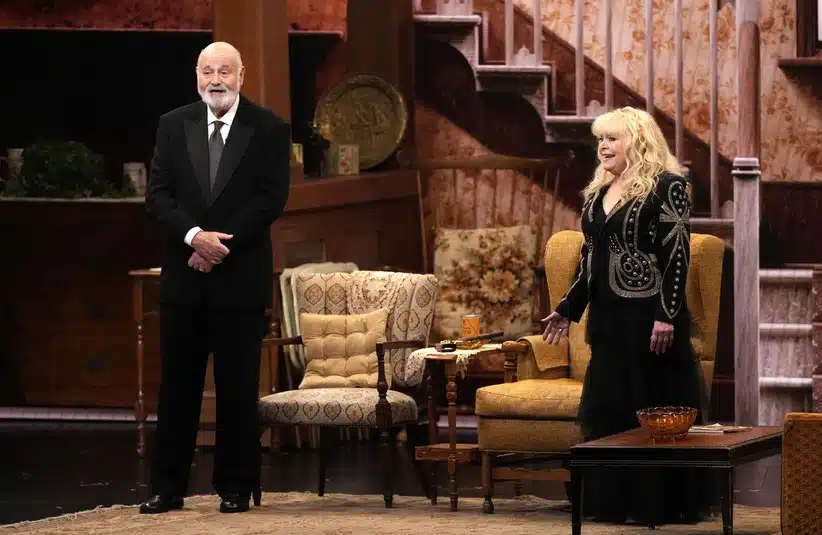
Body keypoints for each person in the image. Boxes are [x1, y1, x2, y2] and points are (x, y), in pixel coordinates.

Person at [542, 106, 713, 525]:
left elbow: (677, 256)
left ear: (637, 141)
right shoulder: (598, 191)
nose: (603, 146)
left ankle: (654, 504)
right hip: (608, 320)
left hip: (648, 320)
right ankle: (611, 503)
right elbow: (590, 258)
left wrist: (666, 315)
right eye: (600, 139)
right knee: (610, 410)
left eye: (612, 138)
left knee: (646, 410)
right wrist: (567, 308)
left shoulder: (668, 186)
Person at [140, 41, 291, 514]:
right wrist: (193, 237)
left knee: (237, 389)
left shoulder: (268, 128)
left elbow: (270, 199)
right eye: (208, 71)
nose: (216, 80)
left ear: (241, 76)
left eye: (225, 71)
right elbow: (158, 195)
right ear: (197, 76)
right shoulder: (172, 125)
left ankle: (235, 487)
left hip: (239, 281)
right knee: (177, 389)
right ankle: (167, 488)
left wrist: (216, 247)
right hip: (183, 282)